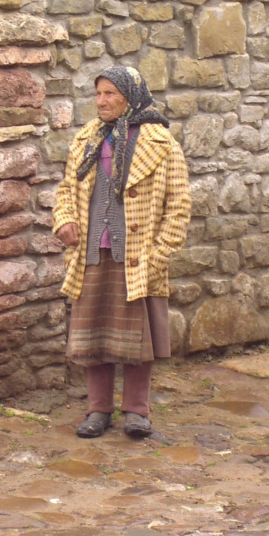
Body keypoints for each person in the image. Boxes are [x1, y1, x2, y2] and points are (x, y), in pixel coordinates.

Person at [52, 66, 191, 439]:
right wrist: (64, 220)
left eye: (110, 93)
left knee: (137, 341)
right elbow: (67, 189)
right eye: (98, 94)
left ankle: (137, 412)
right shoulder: (87, 139)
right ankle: (98, 410)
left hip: (139, 256)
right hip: (92, 251)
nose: (101, 101)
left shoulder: (161, 144)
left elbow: (179, 206)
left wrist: (159, 255)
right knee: (93, 336)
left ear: (130, 95)